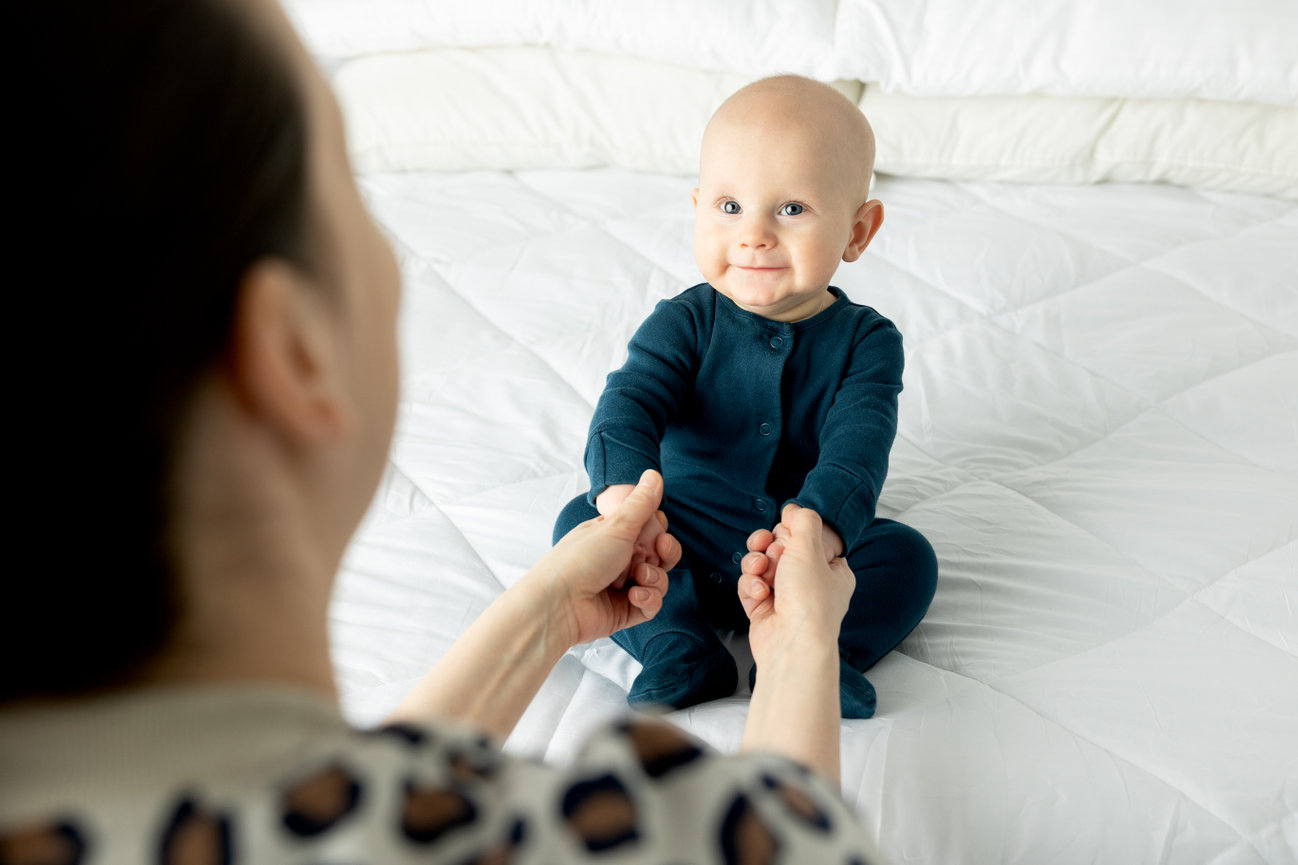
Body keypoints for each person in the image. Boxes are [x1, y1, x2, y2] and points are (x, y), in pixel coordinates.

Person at [1, 1, 883, 862]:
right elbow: (791, 838)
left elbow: (364, 812)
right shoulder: (625, 823)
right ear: (294, 351)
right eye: (349, 180)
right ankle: (688, 643)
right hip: (705, 535)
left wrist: (540, 617)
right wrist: (803, 641)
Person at [554, 76, 939, 719]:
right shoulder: (685, 322)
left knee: (907, 558)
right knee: (578, 524)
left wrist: (817, 533)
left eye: (791, 209)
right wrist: (627, 503)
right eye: (730, 207)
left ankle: (809, 652)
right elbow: (628, 405)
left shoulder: (868, 341)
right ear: (699, 207)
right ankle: (677, 645)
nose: (753, 235)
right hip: (678, 537)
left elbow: (858, 447)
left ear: (858, 230)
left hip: (802, 552)